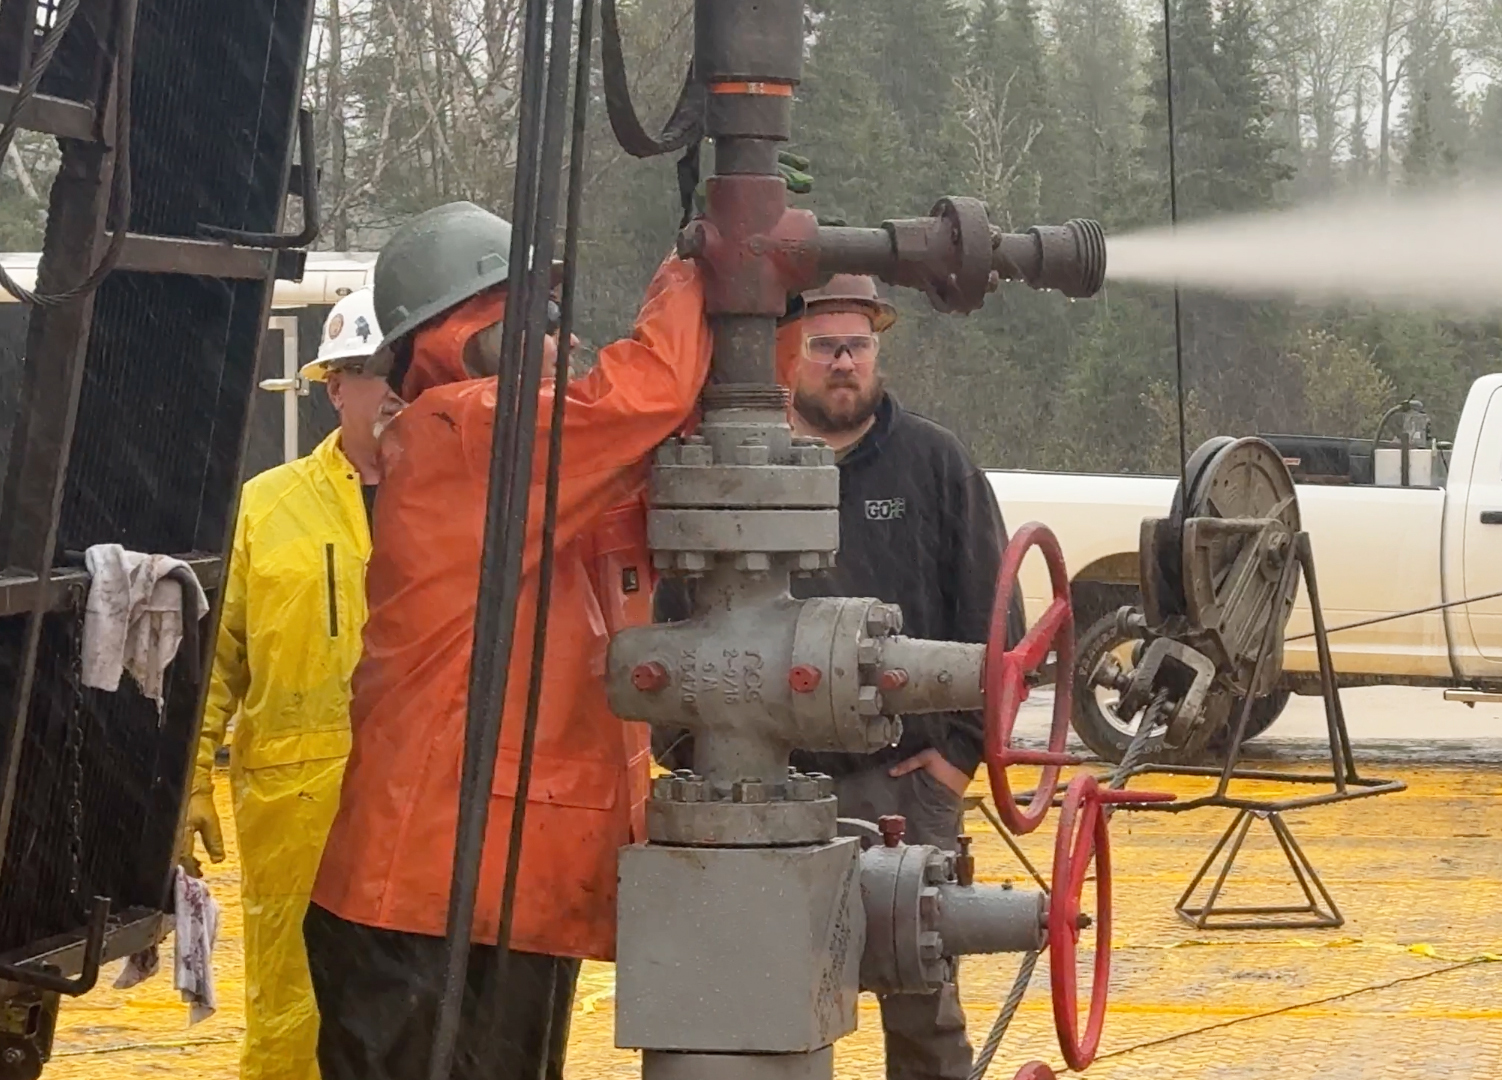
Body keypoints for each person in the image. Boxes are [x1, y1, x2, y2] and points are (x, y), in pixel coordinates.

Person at [301, 201, 710, 1080]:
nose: (565, 341)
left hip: (494, 892)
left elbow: (677, 426)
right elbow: (653, 394)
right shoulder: (468, 430)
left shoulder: (530, 466)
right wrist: (698, 266)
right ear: (473, 332)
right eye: (541, 320)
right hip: (429, 901)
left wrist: (775, 318)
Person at [657, 274, 1016, 1080]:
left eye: (860, 346)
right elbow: (676, 619)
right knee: (750, 990)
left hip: (901, 782)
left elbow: (997, 621)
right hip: (766, 789)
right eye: (825, 346)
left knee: (921, 991)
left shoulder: (934, 464)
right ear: (787, 354)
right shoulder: (730, 470)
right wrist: (692, 750)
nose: (845, 363)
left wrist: (959, 757)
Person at [180, 287, 399, 1080]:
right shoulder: (267, 507)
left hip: (425, 794)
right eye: (370, 371)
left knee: (416, 999)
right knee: (292, 1003)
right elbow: (216, 659)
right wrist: (190, 781)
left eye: (398, 369)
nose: (390, 390)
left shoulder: (459, 502)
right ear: (334, 387)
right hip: (296, 802)